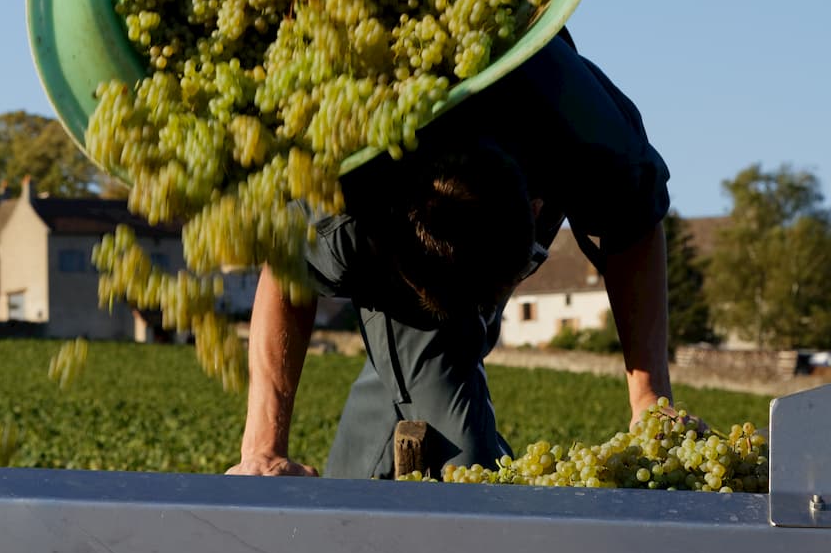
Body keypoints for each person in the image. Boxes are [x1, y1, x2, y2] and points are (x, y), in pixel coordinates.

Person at [226, 29, 676, 479]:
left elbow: (635, 224)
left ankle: (354, 510)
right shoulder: (342, 205)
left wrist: (650, 401)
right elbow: (286, 275)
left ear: (535, 206)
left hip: (529, 116)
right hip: (388, 194)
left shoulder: (585, 131)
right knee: (463, 456)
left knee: (425, 380)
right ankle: (359, 526)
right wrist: (262, 447)